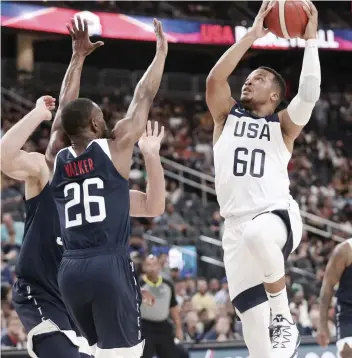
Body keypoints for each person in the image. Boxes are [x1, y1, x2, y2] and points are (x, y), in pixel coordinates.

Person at [206, 1, 320, 357]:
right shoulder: (225, 116)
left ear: (274, 95)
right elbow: (215, 79)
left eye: (257, 80)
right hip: (234, 231)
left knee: (258, 233)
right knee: (257, 343)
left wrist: (312, 39)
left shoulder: (283, 127)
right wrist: (252, 35)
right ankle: (274, 333)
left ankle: (285, 320)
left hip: (275, 217)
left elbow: (310, 94)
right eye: (248, 78)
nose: (248, 82)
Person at [50, 18, 167, 358]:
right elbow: (144, 94)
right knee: (125, 354)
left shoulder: (56, 156)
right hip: (108, 265)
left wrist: (77, 57)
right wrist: (161, 51)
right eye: (101, 115)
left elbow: (63, 112)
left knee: (92, 351)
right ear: (96, 123)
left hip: (69, 271)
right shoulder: (115, 148)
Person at [0, 16, 101, 358]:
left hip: (75, 299)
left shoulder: (94, 187)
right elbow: (4, 155)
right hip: (40, 292)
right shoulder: (45, 169)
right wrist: (37, 114)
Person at [140, 255, 183, 358]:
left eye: (154, 264)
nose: (152, 268)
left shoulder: (168, 283)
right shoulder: (137, 284)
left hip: (163, 327)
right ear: (143, 267)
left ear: (159, 266)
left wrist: (178, 328)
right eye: (148, 265)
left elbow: (173, 307)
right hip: (144, 328)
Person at [317, 239, 352, 358]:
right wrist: (322, 324)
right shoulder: (345, 250)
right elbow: (327, 287)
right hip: (349, 315)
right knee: (348, 352)